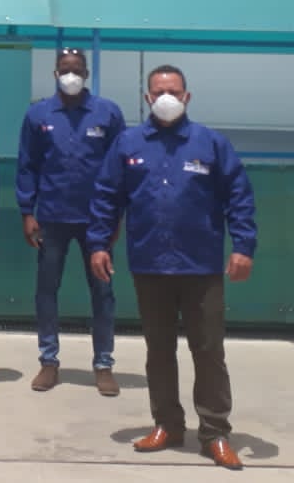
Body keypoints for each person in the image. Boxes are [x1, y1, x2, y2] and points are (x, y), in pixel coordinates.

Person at [89, 64, 256, 471]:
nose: (167, 97)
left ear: (187, 97)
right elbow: (107, 196)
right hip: (150, 264)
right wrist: (98, 244)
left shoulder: (211, 144)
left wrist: (243, 246)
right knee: (159, 350)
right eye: (159, 91)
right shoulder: (128, 144)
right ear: (147, 98)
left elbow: (239, 196)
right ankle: (167, 424)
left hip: (201, 267)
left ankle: (215, 432)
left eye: (174, 91)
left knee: (208, 350)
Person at [16, 47, 126, 394]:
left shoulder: (108, 113)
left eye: (77, 69)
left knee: (103, 292)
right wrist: (27, 211)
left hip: (97, 220)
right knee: (47, 289)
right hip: (51, 218)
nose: (71, 75)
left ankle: (103, 364)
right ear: (55, 74)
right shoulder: (38, 114)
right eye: (65, 69)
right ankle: (48, 362)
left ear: (87, 74)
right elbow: (27, 165)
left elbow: (120, 168)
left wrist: (116, 215)